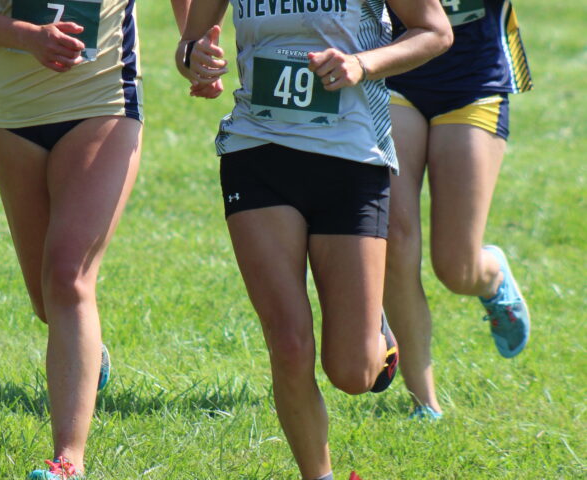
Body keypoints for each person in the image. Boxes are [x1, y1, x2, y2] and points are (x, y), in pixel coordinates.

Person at [175, 1, 452, 479]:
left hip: (351, 156)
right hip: (256, 149)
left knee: (352, 372)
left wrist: (361, 64)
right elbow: (189, 44)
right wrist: (196, 59)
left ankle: (374, 332)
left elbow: (435, 32)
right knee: (287, 342)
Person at [0, 1, 187, 478]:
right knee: (47, 301)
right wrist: (29, 36)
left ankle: (68, 461)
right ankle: (90, 355)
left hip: (102, 99)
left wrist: (192, 42)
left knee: (68, 278)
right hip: (13, 112)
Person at [383, 0, 533, 420]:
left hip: (474, 79)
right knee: (394, 238)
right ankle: (423, 402)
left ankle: (490, 276)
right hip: (392, 68)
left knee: (455, 268)